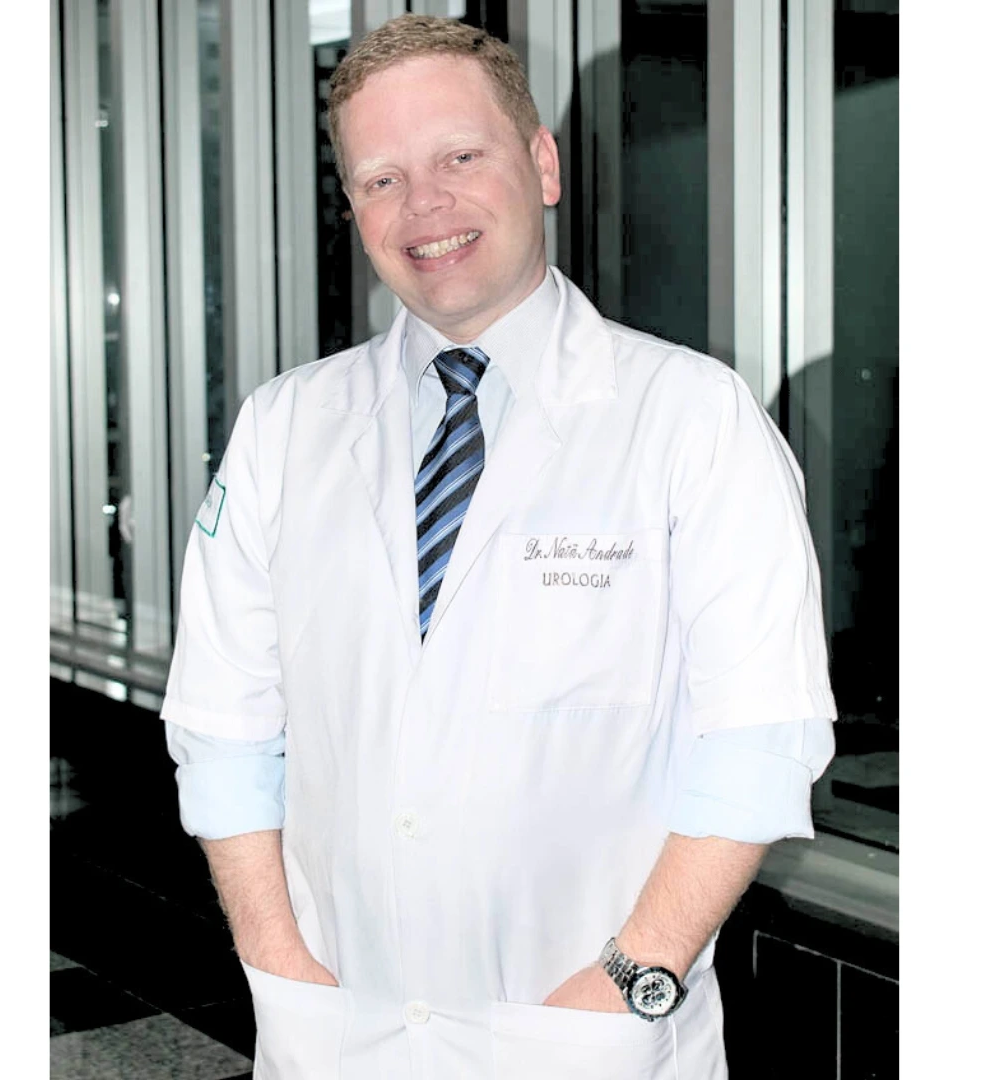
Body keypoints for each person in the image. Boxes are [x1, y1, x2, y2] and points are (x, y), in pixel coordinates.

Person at [160, 14, 836, 1079]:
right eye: (381, 179)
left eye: (460, 157)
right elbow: (223, 724)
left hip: (591, 1032)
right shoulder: (283, 427)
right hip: (338, 1027)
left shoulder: (692, 418)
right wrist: (276, 959)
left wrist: (632, 976)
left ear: (543, 164)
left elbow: (761, 738)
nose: (423, 204)